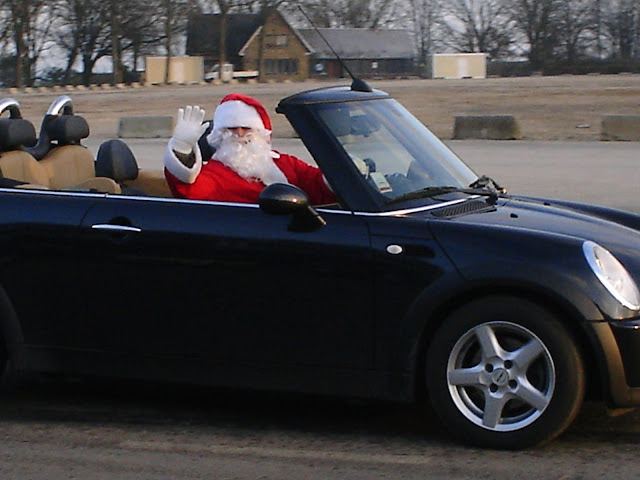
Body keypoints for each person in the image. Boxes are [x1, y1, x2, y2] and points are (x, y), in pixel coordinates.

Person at [163, 93, 335, 205]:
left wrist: (346, 158)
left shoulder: (286, 164)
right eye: (231, 128)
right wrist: (182, 148)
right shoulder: (214, 174)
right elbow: (189, 190)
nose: (239, 134)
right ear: (220, 134)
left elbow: (321, 185)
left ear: (260, 132)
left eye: (246, 128)